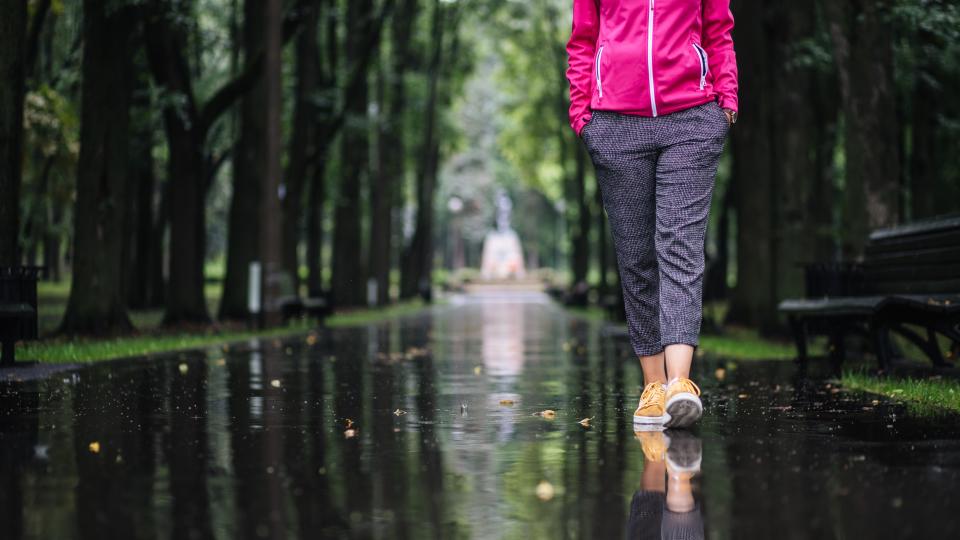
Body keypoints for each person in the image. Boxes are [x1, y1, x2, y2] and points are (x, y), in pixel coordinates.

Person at [566, 0, 739, 428]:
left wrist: (726, 101)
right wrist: (582, 116)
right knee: (636, 256)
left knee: (679, 245)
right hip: (615, 124)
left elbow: (719, 30)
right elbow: (582, 42)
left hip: (691, 120)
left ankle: (680, 382)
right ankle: (654, 387)